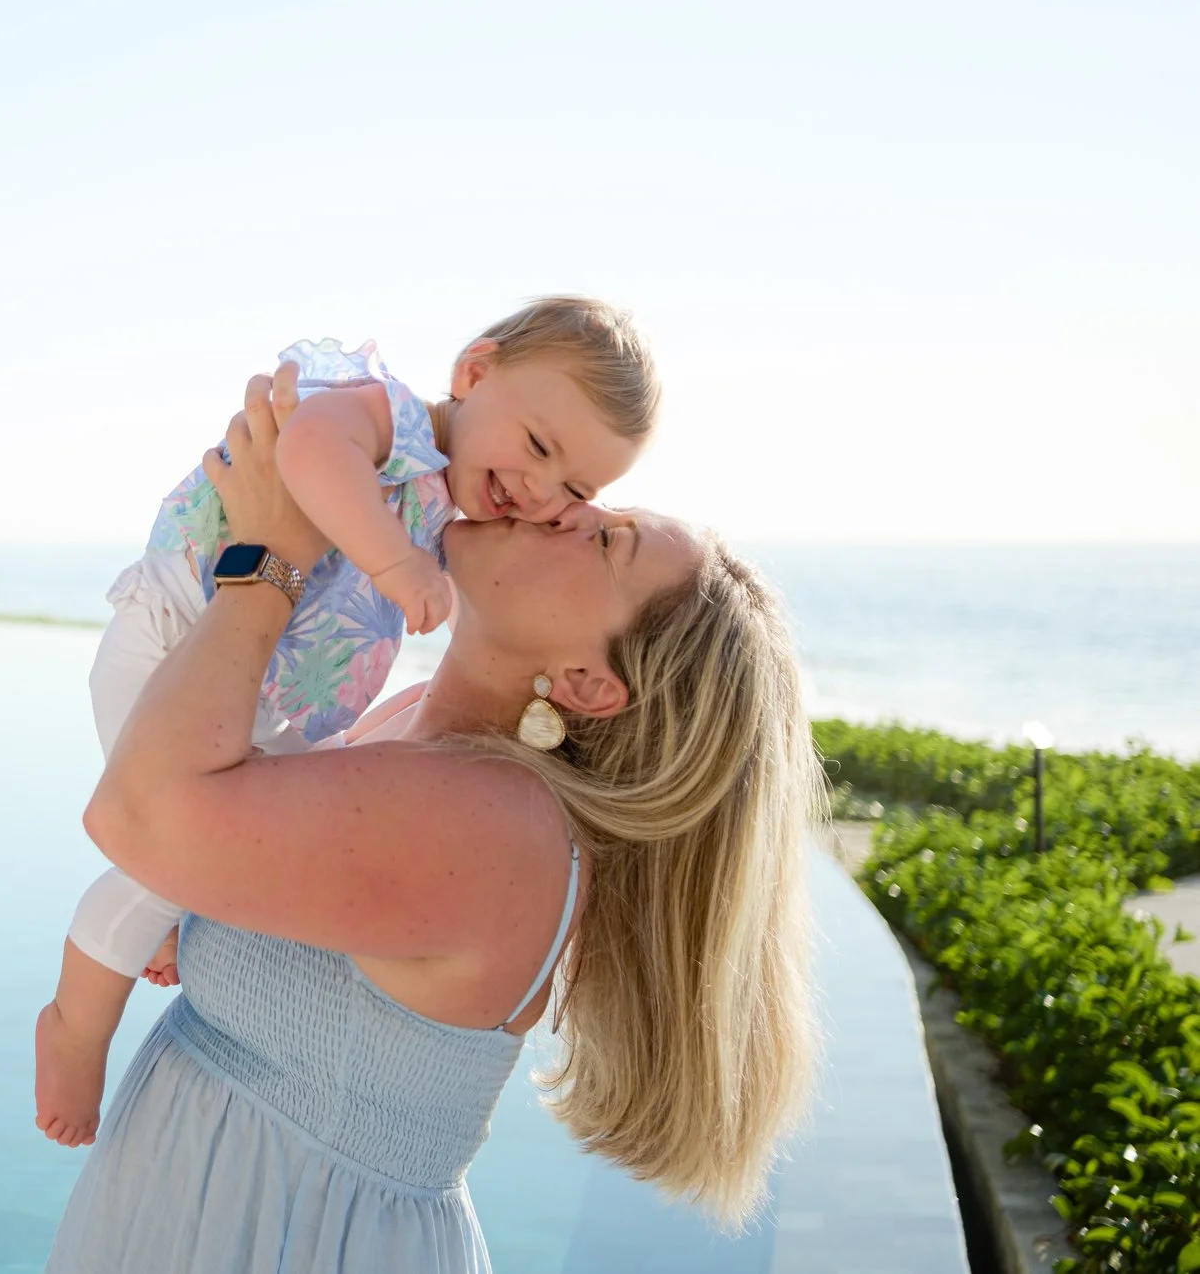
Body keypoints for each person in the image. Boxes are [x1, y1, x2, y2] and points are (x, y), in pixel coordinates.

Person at [43, 366, 820, 1272]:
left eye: (605, 539)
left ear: (586, 684)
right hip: (202, 1200)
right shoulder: (399, 723)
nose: (564, 507)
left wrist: (269, 552)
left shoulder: (497, 824)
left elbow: (139, 814)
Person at [36, 298, 661, 1146]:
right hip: (178, 628)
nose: (545, 496)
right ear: (473, 374)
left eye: (579, 491)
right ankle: (74, 1029)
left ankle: (177, 912)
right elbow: (308, 450)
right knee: (157, 863)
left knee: (194, 850)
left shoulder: (446, 508)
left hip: (240, 678)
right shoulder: (392, 415)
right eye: (541, 448)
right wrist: (395, 561)